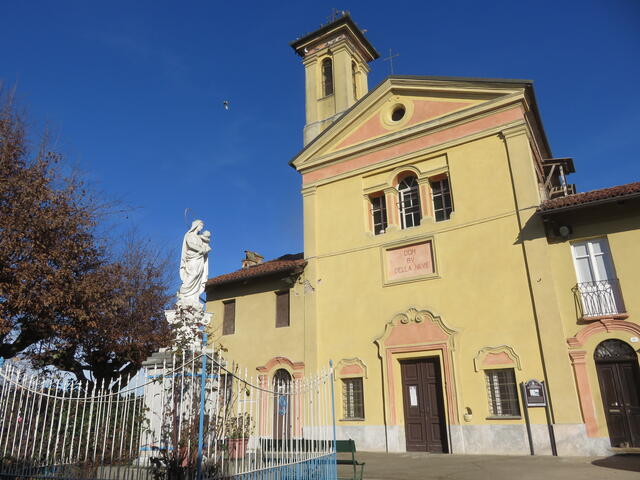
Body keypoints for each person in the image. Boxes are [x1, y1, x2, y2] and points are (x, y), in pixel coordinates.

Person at [177, 220, 211, 309]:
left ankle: (194, 297)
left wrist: (205, 247)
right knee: (193, 274)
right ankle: (184, 292)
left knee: (198, 276)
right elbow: (191, 245)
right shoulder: (189, 235)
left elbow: (206, 243)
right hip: (192, 258)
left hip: (199, 259)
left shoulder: (200, 238)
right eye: (200, 226)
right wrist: (202, 250)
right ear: (196, 226)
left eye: (202, 226)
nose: (201, 228)